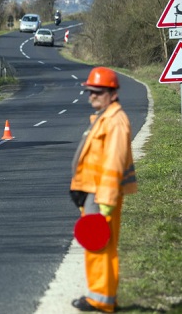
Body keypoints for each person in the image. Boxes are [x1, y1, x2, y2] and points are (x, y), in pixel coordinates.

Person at [70, 66, 137, 313]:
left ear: (112, 93)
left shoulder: (116, 121)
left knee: (101, 246)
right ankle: (100, 296)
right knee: (96, 245)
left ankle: (102, 300)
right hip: (94, 193)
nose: (91, 96)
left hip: (102, 196)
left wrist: (106, 201)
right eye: (90, 91)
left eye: (97, 92)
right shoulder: (104, 116)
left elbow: (113, 164)